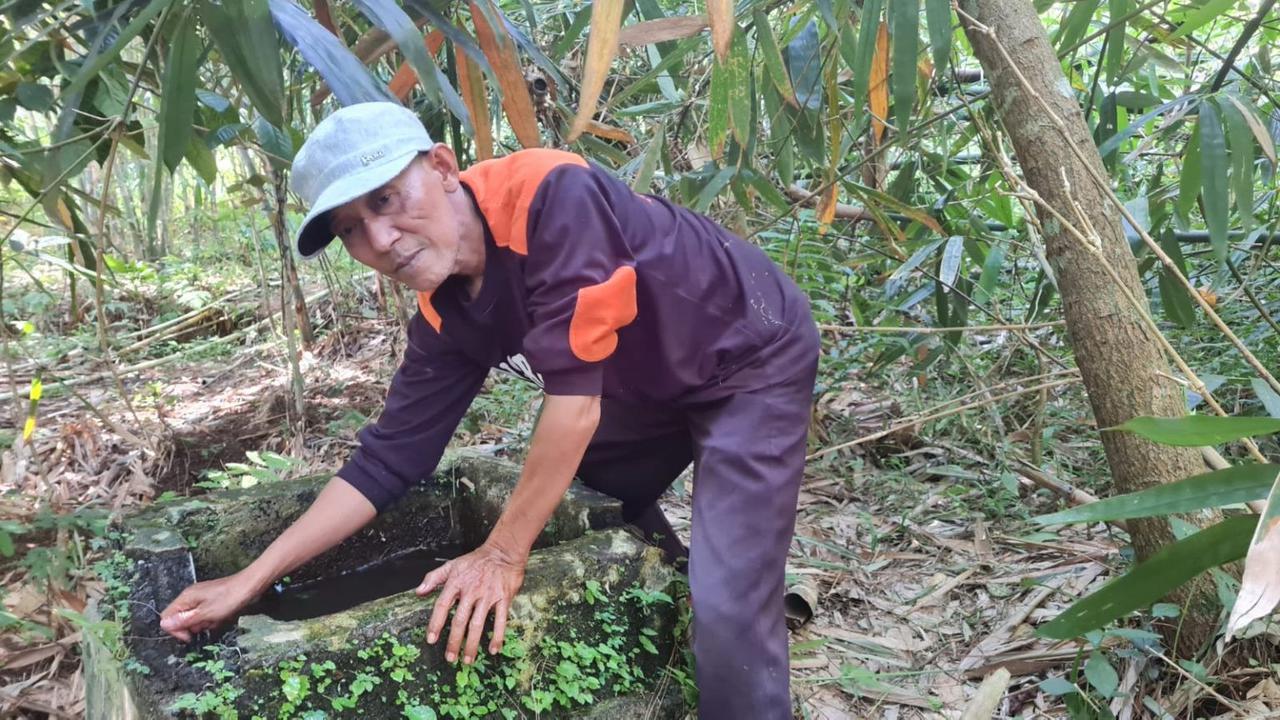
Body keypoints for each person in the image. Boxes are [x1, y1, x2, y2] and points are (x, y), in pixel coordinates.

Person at [159, 102, 819, 718]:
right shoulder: (445, 311)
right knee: (591, 504)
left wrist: (503, 554)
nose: (382, 239)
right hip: (642, 382)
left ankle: (729, 651)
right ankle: (669, 606)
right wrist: (251, 578)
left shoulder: (552, 197)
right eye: (351, 229)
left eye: (387, 199)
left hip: (748, 356)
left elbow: (573, 405)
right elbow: (389, 460)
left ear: (442, 168)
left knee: (730, 601)